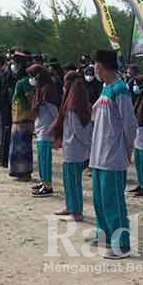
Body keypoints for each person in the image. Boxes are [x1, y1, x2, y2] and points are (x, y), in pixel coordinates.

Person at [88, 49, 138, 259]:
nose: (94, 69)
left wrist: (127, 150)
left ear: (101, 66)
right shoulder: (106, 88)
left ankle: (122, 243)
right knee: (99, 198)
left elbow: (130, 124)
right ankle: (105, 233)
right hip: (99, 153)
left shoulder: (121, 90)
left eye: (95, 65)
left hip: (113, 154)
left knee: (113, 200)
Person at [49, 71, 93, 221]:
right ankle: (70, 207)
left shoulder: (74, 105)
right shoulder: (76, 102)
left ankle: (76, 212)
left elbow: (77, 130)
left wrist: (87, 145)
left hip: (75, 149)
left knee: (73, 181)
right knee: (69, 180)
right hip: (72, 149)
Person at [29, 64, 61, 198]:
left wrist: (56, 128)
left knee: (45, 159)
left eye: (32, 76)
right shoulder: (40, 89)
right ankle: (43, 182)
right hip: (40, 128)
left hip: (47, 129)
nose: (31, 79)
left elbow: (54, 112)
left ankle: (48, 185)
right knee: (41, 158)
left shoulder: (48, 90)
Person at [8, 52, 35, 181]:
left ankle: (24, 172)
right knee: (18, 146)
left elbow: (31, 99)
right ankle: (19, 171)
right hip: (18, 118)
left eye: (14, 63)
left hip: (24, 119)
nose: (12, 65)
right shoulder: (21, 81)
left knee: (22, 147)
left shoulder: (24, 82)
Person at [0, 54, 17, 168]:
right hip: (1, 107)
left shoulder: (7, 75)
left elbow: (7, 94)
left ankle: (4, 157)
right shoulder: (1, 73)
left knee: (5, 131)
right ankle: (2, 154)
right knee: (2, 131)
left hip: (5, 108)